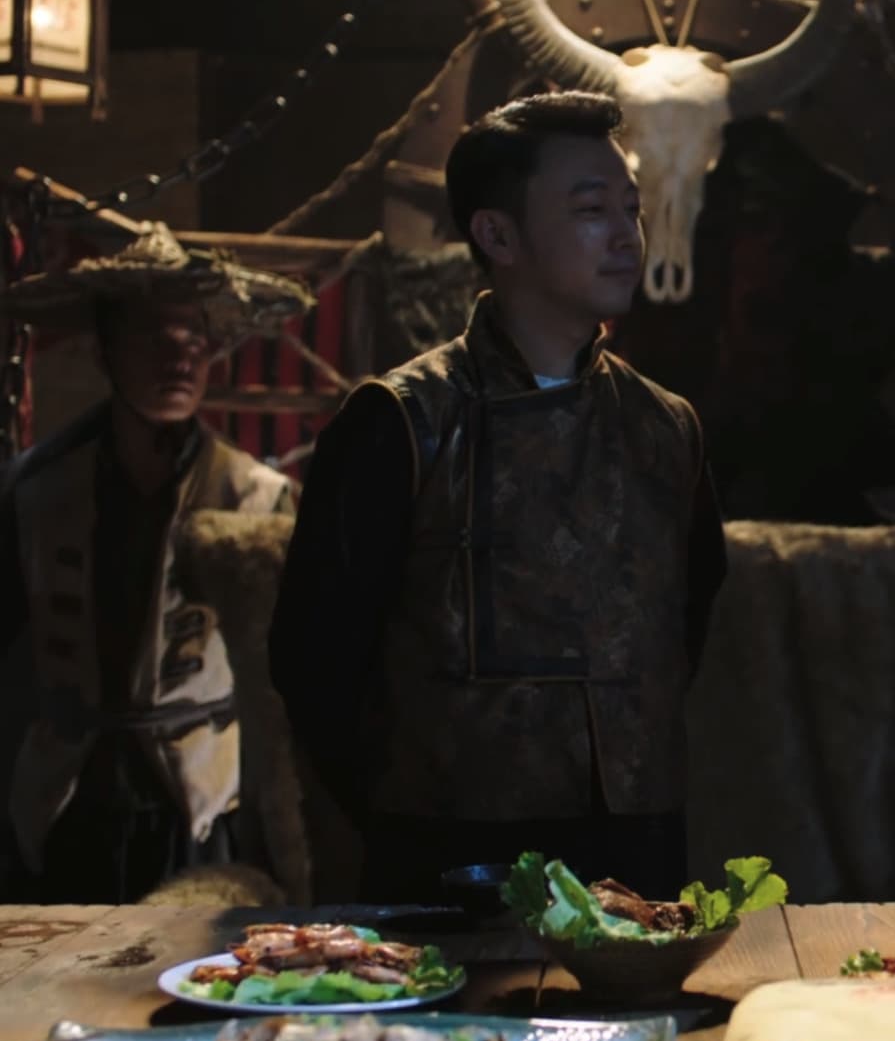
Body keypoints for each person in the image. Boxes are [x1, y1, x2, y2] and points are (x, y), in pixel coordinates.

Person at [270, 91, 727, 902]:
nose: (627, 235)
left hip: (635, 851)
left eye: (631, 208)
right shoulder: (403, 419)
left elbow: (685, 627)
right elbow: (315, 657)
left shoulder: (666, 427)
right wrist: (398, 810)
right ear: (498, 234)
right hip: (445, 857)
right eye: (592, 210)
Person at [0, 225, 311, 903]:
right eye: (152, 339)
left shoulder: (255, 496)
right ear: (106, 350)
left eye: (193, 341)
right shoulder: (40, 491)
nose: (178, 360)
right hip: (67, 797)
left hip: (197, 798)